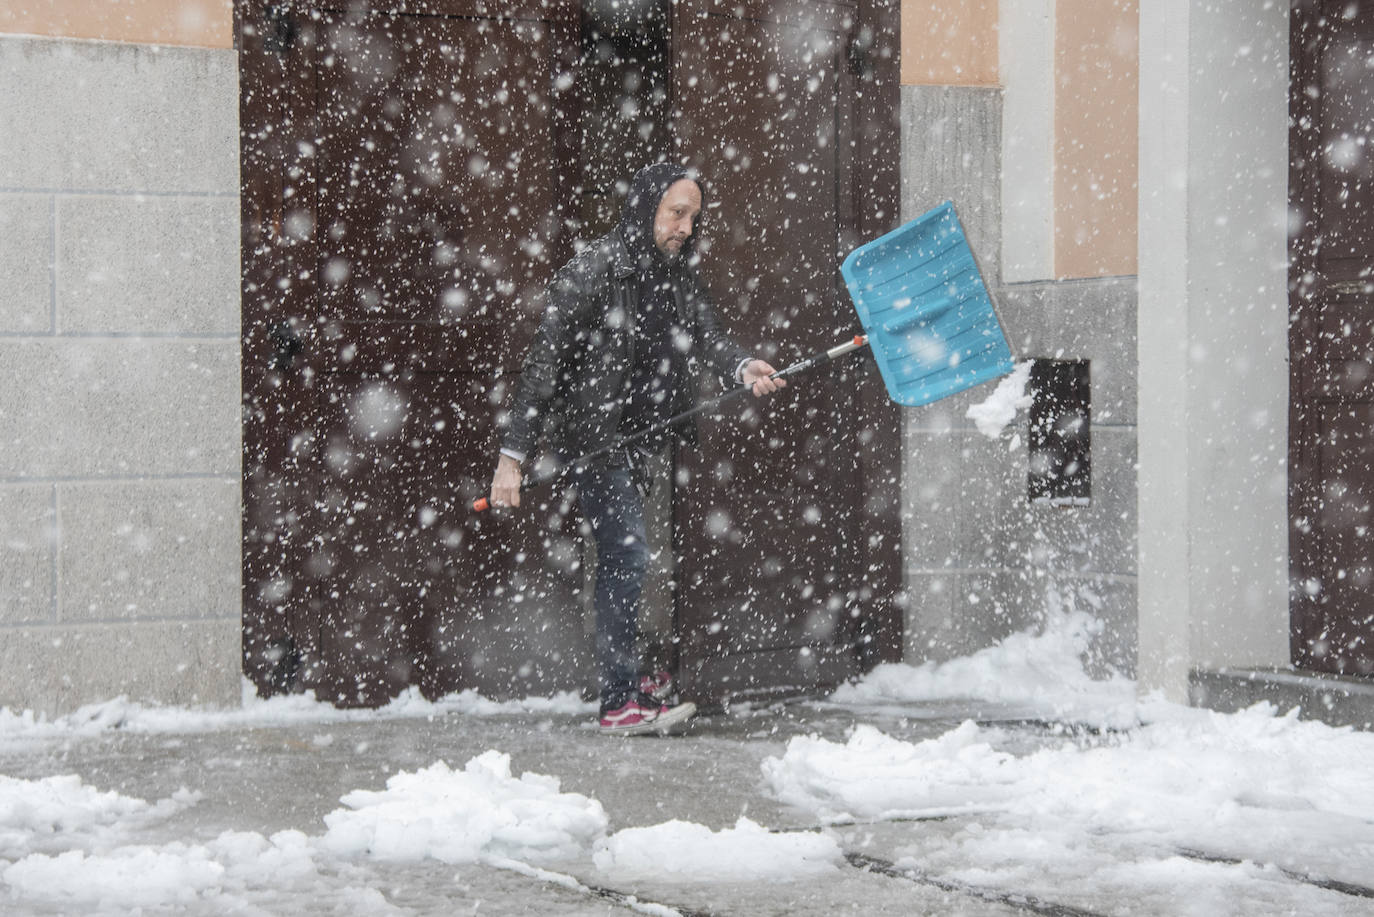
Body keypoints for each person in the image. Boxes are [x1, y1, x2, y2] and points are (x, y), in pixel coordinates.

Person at [488, 162, 785, 736]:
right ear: (647, 206)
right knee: (626, 558)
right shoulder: (596, 268)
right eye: (676, 213)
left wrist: (744, 367)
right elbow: (543, 362)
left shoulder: (674, 272)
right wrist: (512, 458)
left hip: (641, 440)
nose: (685, 227)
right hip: (598, 439)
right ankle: (619, 701)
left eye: (693, 217)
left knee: (633, 558)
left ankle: (627, 680)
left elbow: (706, 335)